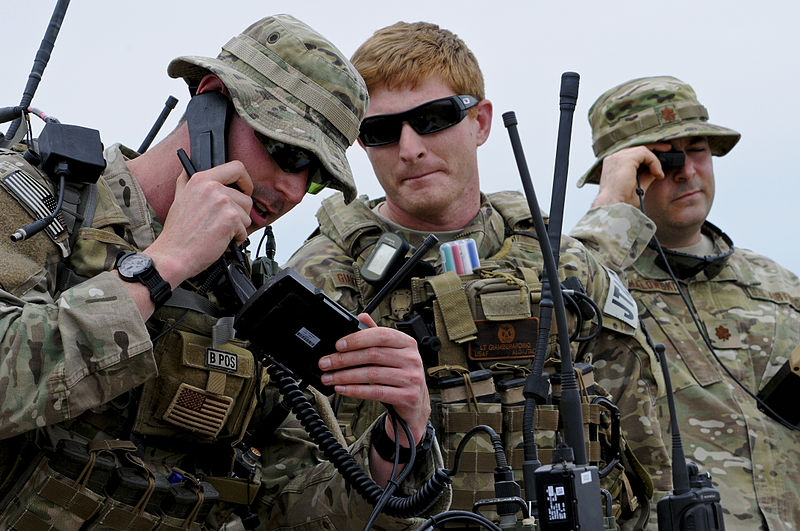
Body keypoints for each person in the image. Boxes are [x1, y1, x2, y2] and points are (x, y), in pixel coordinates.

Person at [0, 15, 449, 530]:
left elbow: (299, 508)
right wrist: (161, 267)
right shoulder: (33, 207)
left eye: (315, 175)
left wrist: (402, 433)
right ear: (211, 100)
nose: (292, 190)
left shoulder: (250, 298)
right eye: (284, 150)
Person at [286, 21, 658, 527]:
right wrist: (391, 447)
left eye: (433, 119)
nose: (410, 147)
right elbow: (285, 501)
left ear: (480, 122)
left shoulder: (565, 266)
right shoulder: (323, 282)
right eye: (381, 132)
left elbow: (644, 458)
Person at [571, 75, 800, 529]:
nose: (686, 170)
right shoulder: (600, 287)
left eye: (697, 149)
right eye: (662, 158)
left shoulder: (782, 289)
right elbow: (552, 317)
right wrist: (611, 204)